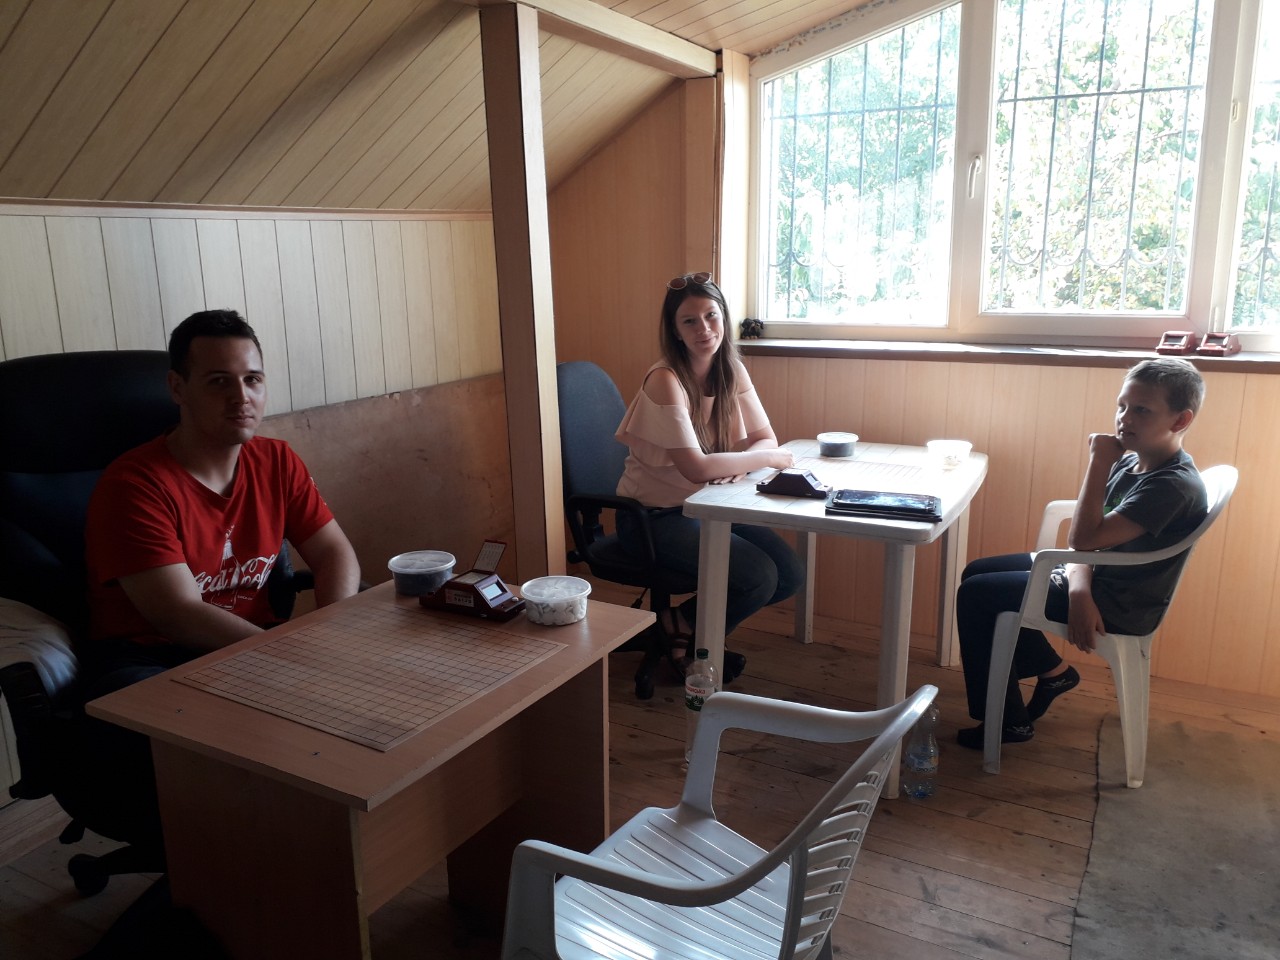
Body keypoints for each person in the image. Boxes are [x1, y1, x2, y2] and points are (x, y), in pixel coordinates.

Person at [80, 309, 361, 849]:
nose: (241, 398)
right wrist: (291, 661)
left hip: (251, 649)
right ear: (177, 388)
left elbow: (335, 553)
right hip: (154, 661)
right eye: (218, 382)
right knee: (264, 773)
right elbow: (179, 615)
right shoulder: (135, 486)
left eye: (252, 379)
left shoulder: (275, 460)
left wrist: (329, 635)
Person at [955, 357, 1207, 749]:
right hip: (1093, 574)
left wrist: (1099, 461)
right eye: (1122, 405)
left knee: (977, 595)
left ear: (1181, 420)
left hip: (1118, 602)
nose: (1124, 418)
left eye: (1142, 410)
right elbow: (1088, 545)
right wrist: (1078, 586)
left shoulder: (1170, 486)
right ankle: (1052, 671)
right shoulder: (1134, 462)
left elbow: (1085, 538)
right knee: (976, 572)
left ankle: (1007, 723)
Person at [614, 272, 803, 682]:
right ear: (675, 330)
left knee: (790, 575)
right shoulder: (665, 380)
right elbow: (697, 468)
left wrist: (743, 462)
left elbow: (764, 436)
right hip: (654, 518)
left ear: (724, 318)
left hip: (710, 507)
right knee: (759, 577)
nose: (704, 328)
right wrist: (763, 459)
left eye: (711, 316)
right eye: (690, 321)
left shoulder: (731, 369)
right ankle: (694, 639)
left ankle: (677, 623)